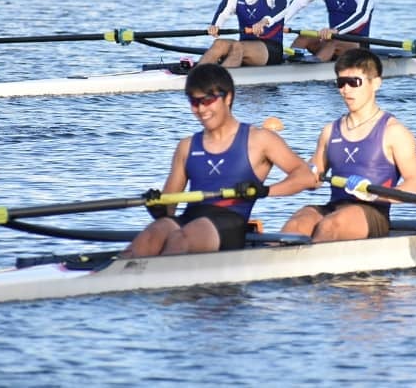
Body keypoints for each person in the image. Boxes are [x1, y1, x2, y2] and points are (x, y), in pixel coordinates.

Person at [122, 64, 314, 257]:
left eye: (208, 100)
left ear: (228, 97)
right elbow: (169, 209)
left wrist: (265, 191)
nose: (201, 109)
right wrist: (157, 208)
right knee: (151, 235)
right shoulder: (186, 146)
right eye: (194, 102)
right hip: (190, 219)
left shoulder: (260, 139)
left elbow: (306, 177)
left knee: (181, 239)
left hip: (229, 223)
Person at [281, 48, 416, 242]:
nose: (346, 90)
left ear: (376, 83)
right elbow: (313, 180)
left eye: (354, 82)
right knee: (296, 224)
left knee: (330, 226)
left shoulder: (394, 132)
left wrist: (373, 196)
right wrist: (295, 168)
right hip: (334, 207)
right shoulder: (329, 131)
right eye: (341, 83)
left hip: (372, 212)